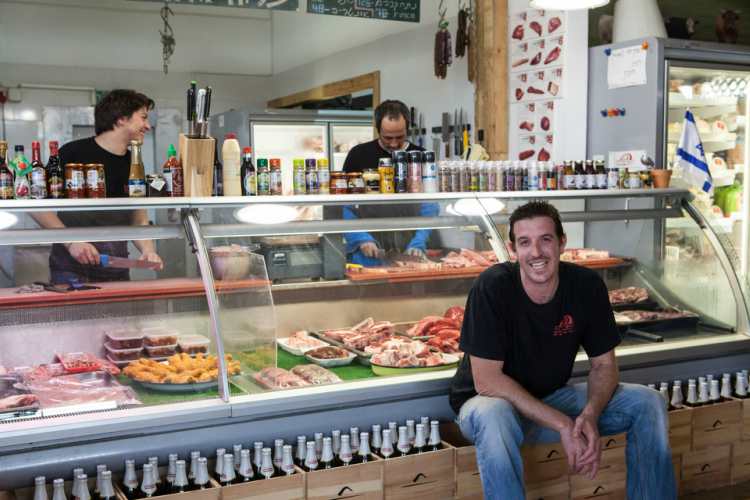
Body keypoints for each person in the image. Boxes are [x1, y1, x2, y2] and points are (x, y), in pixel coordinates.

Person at [449, 201, 675, 500]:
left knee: (648, 402)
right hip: (487, 405)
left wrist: (590, 415)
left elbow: (604, 366)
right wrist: (564, 424)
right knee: (495, 414)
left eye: (545, 239)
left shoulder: (586, 285)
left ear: (562, 243)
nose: (536, 252)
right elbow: (487, 381)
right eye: (525, 242)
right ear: (513, 249)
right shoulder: (493, 285)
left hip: (552, 399)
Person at [32, 89, 163, 283]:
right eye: (143, 118)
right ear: (121, 119)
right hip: (71, 268)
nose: (148, 126)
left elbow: (138, 217)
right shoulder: (72, 153)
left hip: (116, 266)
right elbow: (36, 206)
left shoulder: (133, 163)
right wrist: (71, 242)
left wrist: (148, 250)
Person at [342, 100, 437, 266]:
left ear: (407, 129)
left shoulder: (420, 157)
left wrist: (419, 240)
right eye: (387, 137)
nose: (394, 144)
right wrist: (360, 238)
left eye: (399, 137)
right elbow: (345, 205)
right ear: (377, 129)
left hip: (410, 246)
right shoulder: (358, 155)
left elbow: (430, 206)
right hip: (368, 249)